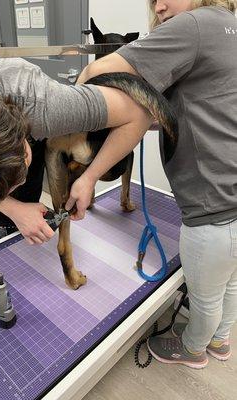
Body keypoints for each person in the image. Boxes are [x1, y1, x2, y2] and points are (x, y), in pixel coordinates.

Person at [64, 0, 237, 368]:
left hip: (211, 207)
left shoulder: (192, 25)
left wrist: (72, 110)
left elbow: (100, 68)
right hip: (233, 191)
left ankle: (191, 349)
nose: (158, 7)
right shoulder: (229, 25)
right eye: (153, 0)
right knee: (230, 285)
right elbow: (202, 105)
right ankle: (221, 342)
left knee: (205, 297)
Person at [0, 58, 153, 257]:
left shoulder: (44, 104)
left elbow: (141, 113)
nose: (20, 182)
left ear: (23, 130)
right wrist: (13, 208)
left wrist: (90, 177)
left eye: (19, 174)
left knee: (19, 247)